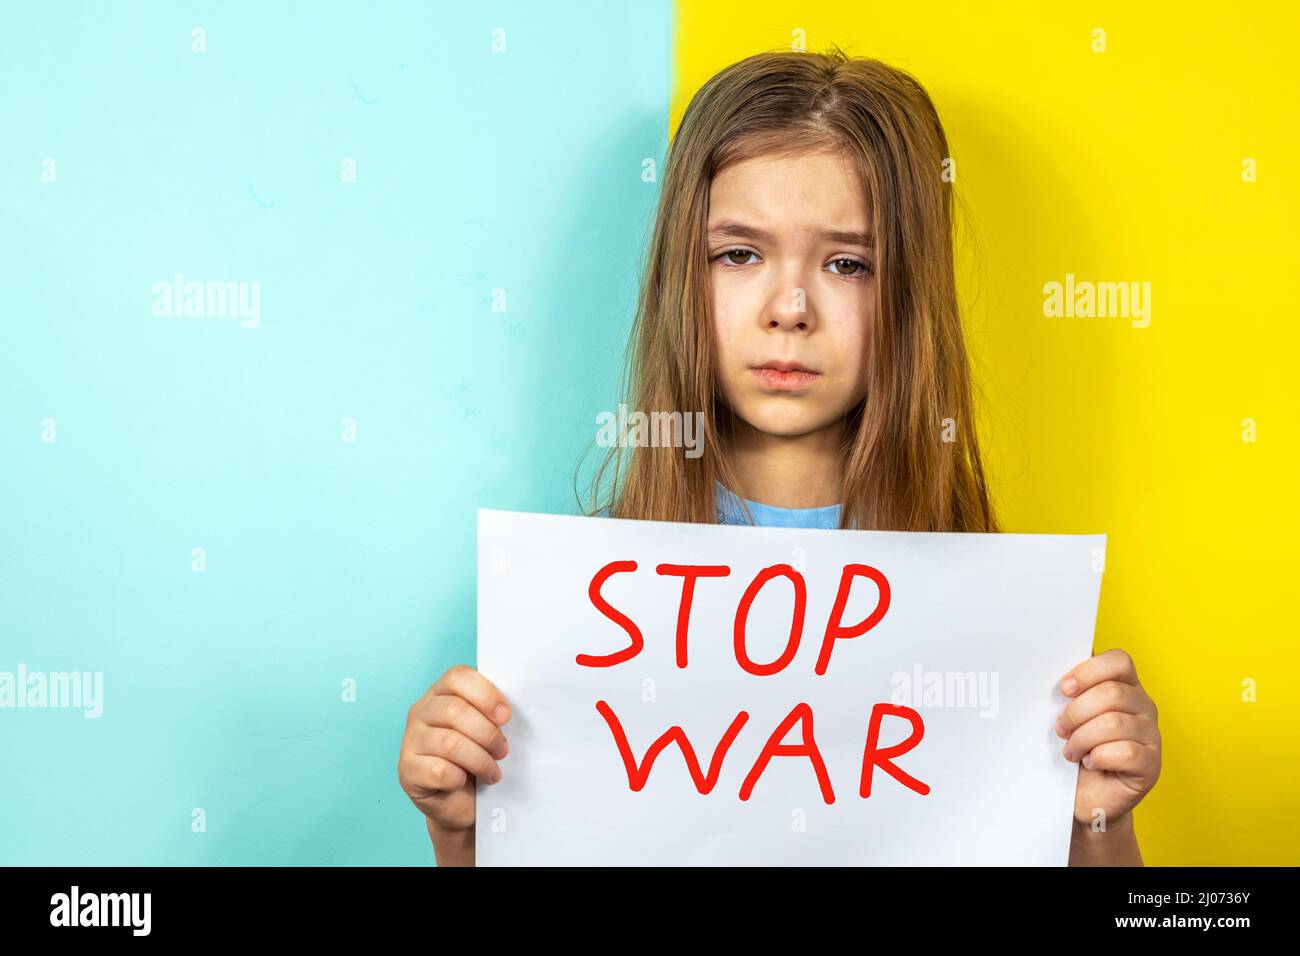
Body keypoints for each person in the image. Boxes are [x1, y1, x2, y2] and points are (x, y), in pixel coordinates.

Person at [397, 47, 1162, 866]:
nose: (790, 309)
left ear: (909, 291)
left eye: (846, 263)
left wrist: (1100, 825)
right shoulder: (569, 620)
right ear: (680, 278)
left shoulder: (1014, 637)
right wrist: (463, 831)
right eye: (739, 254)